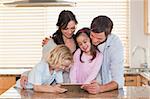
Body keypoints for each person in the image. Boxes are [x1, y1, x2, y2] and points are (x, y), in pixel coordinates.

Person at [21, 14, 124, 94]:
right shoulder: (54, 43)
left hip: (83, 87)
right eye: (66, 28)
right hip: (57, 87)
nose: (95, 40)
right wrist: (26, 74)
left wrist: (97, 87)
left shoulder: (85, 42)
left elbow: (116, 78)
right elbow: (44, 65)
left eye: (72, 28)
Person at [81, 15, 124, 94]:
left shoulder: (115, 45)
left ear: (108, 35)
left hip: (108, 91)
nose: (94, 40)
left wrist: (100, 89)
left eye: (99, 38)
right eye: (92, 36)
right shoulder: (86, 37)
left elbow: (118, 80)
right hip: (87, 90)